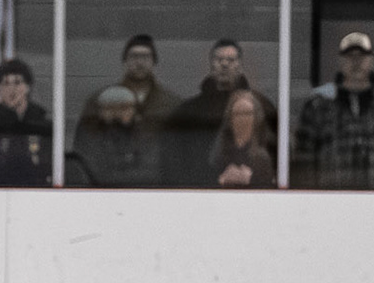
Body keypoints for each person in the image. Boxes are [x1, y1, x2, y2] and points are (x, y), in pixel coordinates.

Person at [292, 31, 374, 189]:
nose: (356, 62)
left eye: (362, 56)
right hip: (332, 199)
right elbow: (304, 160)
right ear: (340, 61)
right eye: (349, 56)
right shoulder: (318, 106)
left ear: (371, 61)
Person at [165, 40, 276, 185]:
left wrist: (255, 178)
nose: (224, 64)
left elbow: (276, 153)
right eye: (219, 59)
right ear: (211, 65)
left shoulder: (260, 107)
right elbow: (176, 161)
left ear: (240, 66)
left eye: (231, 60)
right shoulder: (190, 111)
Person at [76, 34, 180, 143]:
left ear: (154, 62)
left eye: (145, 57)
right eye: (134, 56)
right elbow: (84, 142)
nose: (139, 63)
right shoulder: (102, 101)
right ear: (125, 61)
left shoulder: (171, 104)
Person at [0, 58, 51, 186]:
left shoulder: (44, 125)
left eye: (17, 82)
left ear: (27, 87)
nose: (11, 89)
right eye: (5, 83)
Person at [71, 85, 162, 187]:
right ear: (100, 111)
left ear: (135, 111)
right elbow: (91, 172)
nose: (117, 113)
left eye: (124, 108)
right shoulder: (89, 135)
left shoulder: (147, 135)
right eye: (109, 108)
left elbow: (151, 172)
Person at [209, 89, 274, 187]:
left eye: (247, 113)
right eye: (238, 113)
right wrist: (223, 179)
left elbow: (269, 189)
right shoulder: (218, 152)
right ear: (230, 118)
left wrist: (251, 179)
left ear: (256, 117)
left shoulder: (263, 155)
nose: (242, 118)